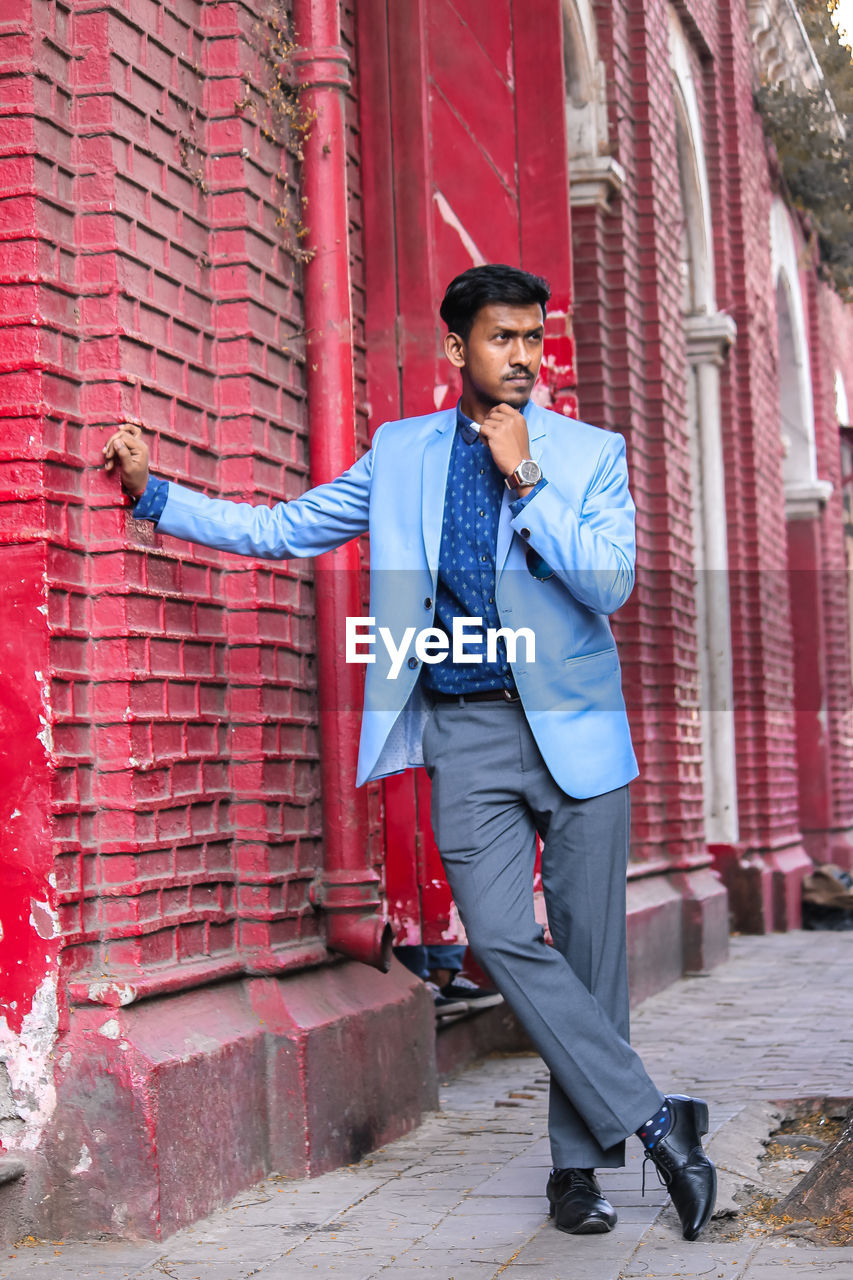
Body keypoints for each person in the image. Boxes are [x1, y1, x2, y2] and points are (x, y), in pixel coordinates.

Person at [104, 263, 717, 1242]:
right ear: (456, 348)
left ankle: (576, 1169)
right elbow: (286, 528)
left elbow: (609, 584)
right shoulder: (400, 456)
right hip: (467, 729)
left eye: (532, 338)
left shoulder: (587, 453)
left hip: (578, 736)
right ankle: (655, 1116)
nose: (521, 356)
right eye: (501, 338)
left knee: (591, 963)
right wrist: (155, 497)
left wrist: (527, 473)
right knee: (500, 936)